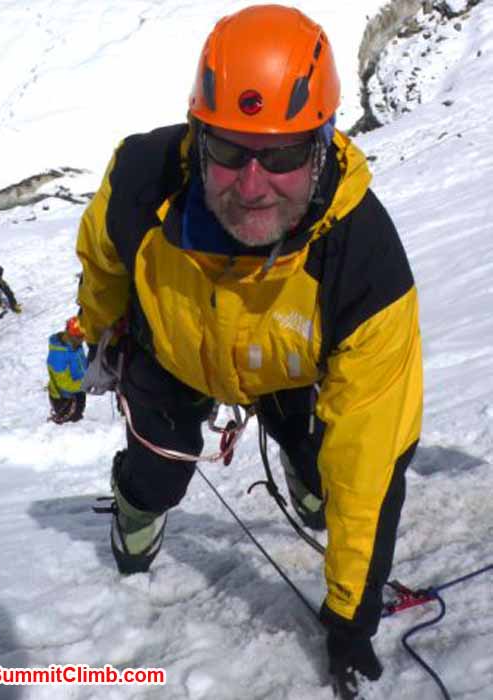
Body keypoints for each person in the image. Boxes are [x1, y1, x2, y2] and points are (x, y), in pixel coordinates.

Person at [75, 4, 422, 694]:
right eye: (230, 151)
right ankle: (136, 516)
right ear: (199, 136)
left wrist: (349, 619)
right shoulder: (143, 180)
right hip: (170, 355)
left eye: (284, 156)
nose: (252, 184)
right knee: (156, 475)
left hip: (288, 369)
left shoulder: (362, 264)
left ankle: (305, 478)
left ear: (323, 143)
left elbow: (371, 455)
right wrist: (101, 332)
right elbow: (104, 261)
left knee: (331, 476)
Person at [47, 316, 88, 424]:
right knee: (72, 423)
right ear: (70, 335)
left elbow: (81, 362)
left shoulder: (75, 345)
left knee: (79, 416)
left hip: (78, 389)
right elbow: (64, 384)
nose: (83, 340)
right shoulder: (58, 356)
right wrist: (86, 384)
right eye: (80, 337)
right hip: (65, 398)